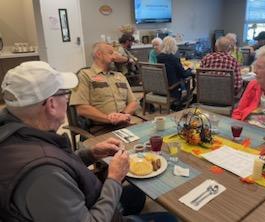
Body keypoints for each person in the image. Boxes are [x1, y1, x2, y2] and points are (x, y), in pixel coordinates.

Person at [0, 61, 177, 222]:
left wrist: (90, 154)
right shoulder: (43, 174)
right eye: (65, 93)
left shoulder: (19, 136)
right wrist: (114, 179)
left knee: (137, 195)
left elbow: (60, 165)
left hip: (84, 198)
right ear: (51, 104)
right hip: (91, 211)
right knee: (170, 218)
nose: (68, 99)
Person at [69, 42, 139, 134]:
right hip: (101, 129)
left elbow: (133, 102)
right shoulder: (85, 75)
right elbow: (82, 108)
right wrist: (109, 119)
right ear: (99, 54)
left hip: (126, 125)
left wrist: (123, 115)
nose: (115, 56)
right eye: (111, 53)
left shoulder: (120, 76)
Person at [157, 36, 192, 101]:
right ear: (173, 46)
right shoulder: (174, 59)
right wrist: (191, 70)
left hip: (162, 88)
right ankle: (185, 100)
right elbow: (183, 74)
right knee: (189, 77)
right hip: (173, 89)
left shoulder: (159, 57)